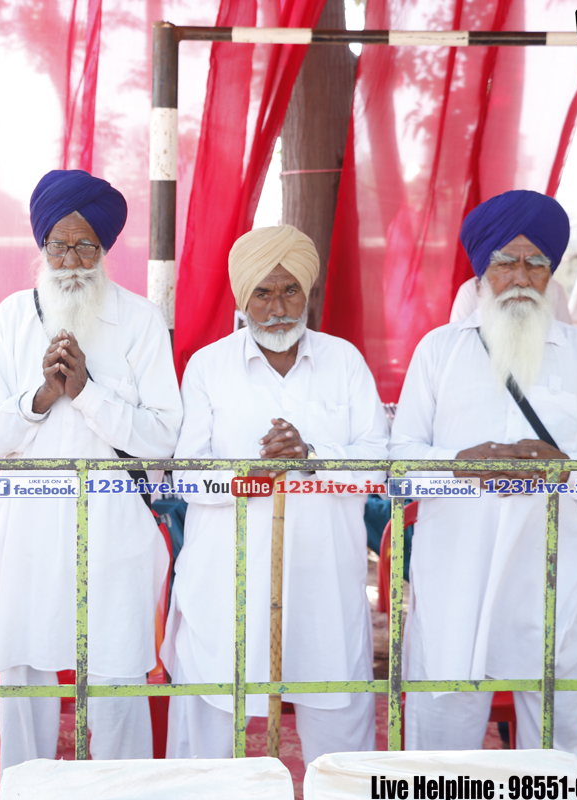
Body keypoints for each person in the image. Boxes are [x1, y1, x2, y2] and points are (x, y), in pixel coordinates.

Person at [390, 190, 577, 760]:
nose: (521, 277)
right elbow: (399, 463)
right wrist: (460, 465)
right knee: (442, 742)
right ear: (482, 271)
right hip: (457, 575)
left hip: (554, 576)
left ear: (552, 274)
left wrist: (565, 469)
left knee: (557, 740)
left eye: (536, 263)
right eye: (506, 262)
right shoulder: (439, 351)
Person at [0, 169, 183, 774]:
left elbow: (163, 438)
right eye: (59, 244)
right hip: (29, 537)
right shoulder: (12, 317)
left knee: (116, 688)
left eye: (86, 245)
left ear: (105, 248)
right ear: (42, 245)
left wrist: (86, 392)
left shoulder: (140, 320)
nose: (71, 260)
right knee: (26, 686)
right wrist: (40, 397)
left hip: (115, 536)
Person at [163, 225, 389, 766]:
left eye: (290, 291)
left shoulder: (344, 361)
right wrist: (252, 476)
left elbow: (379, 464)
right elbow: (187, 476)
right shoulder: (208, 366)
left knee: (340, 745)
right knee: (208, 742)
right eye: (263, 293)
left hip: (324, 584)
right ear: (243, 297)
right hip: (227, 586)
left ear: (308, 292)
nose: (278, 307)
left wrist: (311, 457)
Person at [450, 274, 571, 324]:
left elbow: (565, 339)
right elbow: (458, 341)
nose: (522, 281)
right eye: (506, 264)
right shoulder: (470, 289)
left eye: (532, 264)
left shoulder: (554, 289)